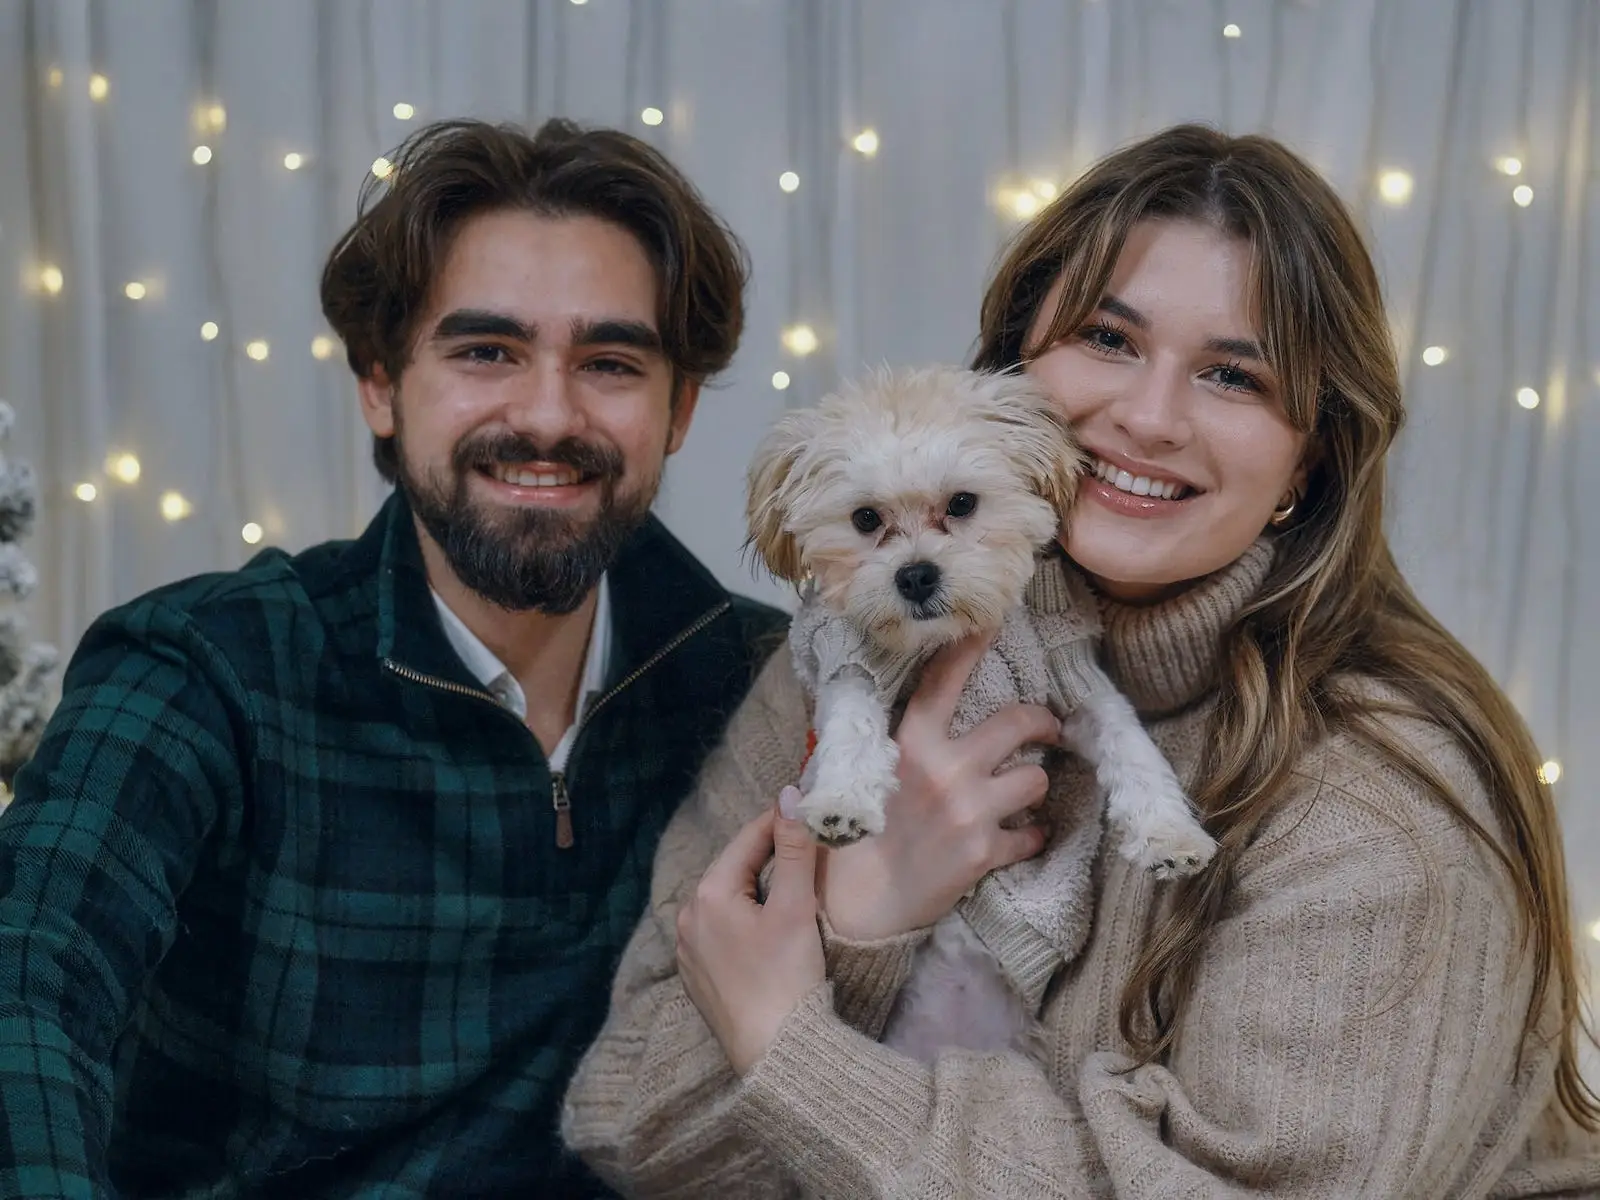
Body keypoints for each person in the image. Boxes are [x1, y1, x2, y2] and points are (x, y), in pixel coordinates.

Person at [561, 124, 1600, 1197]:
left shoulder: (1375, 807)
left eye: (1232, 378)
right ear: (1015, 372)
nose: (1147, 418)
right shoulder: (849, 660)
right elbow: (633, 1124)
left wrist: (794, 1033)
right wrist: (863, 918)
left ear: (1313, 454)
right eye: (1108, 340)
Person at [0, 117, 786, 1196]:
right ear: (381, 383)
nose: (548, 416)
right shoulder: (204, 669)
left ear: (678, 409)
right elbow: (32, 977)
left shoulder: (766, 683)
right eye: (485, 352)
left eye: (609, 363)